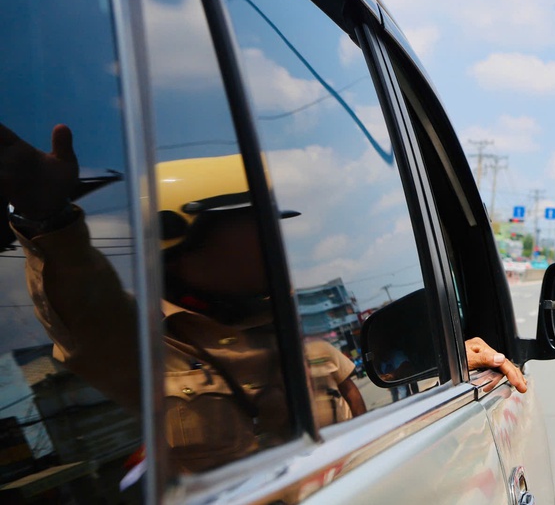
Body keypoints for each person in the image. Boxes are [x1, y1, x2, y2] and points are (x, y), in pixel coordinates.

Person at [0, 123, 526, 473]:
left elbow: (364, 450)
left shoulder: (312, 350)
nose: (275, 242)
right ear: (179, 239)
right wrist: (48, 218)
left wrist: (448, 362)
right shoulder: (141, 346)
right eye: (252, 225)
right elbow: (84, 305)